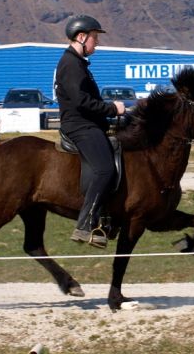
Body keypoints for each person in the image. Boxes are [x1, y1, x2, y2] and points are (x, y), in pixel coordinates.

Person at [55, 14, 125, 249]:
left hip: (88, 123)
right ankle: (85, 224)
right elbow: (81, 101)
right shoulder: (71, 64)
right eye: (95, 37)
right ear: (82, 37)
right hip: (80, 125)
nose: (98, 42)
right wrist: (112, 109)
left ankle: (107, 220)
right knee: (105, 169)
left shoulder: (78, 63)